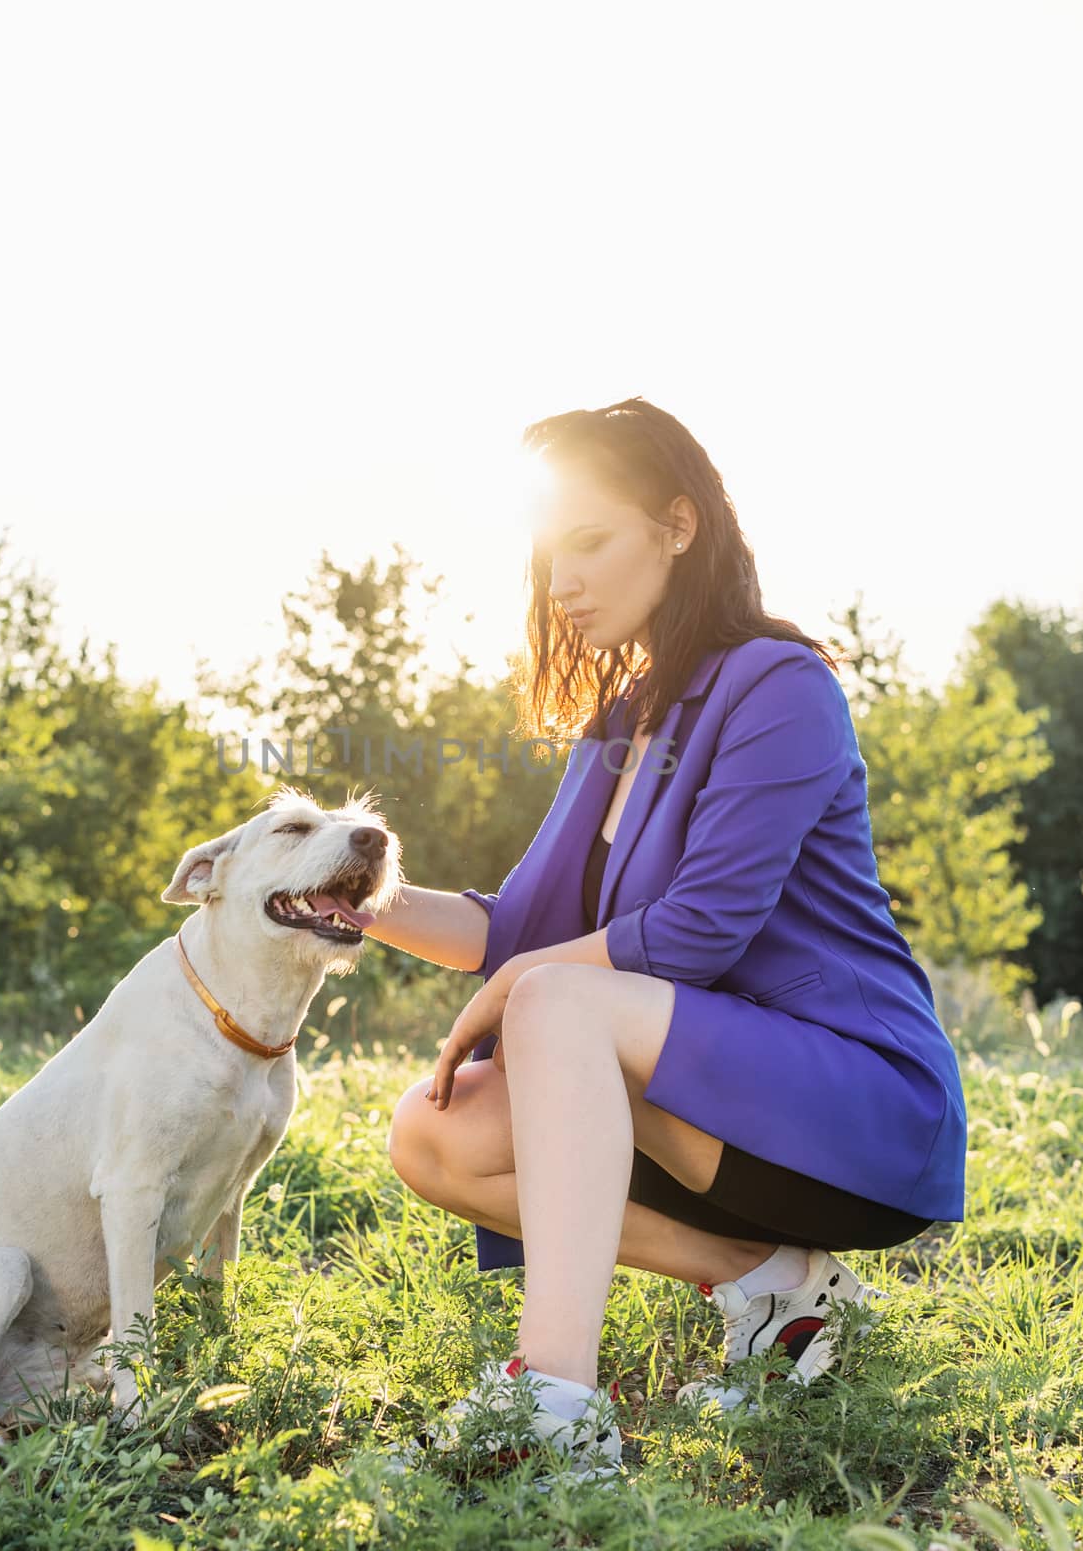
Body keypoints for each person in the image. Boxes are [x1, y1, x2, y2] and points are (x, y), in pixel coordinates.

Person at [369, 396, 967, 1481]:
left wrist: (519, 983)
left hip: (859, 1106)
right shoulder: (619, 726)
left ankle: (552, 1400)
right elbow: (518, 933)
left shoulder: (781, 684)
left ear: (678, 526)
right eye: (551, 554)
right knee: (432, 1133)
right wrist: (350, 896)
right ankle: (770, 1279)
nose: (562, 583)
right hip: (712, 1107)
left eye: (589, 541)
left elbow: (696, 930)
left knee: (553, 999)